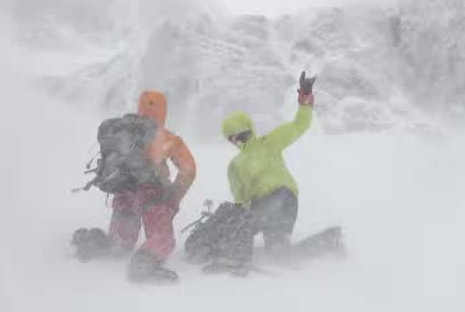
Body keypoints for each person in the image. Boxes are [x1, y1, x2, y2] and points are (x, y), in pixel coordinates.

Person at [215, 72, 315, 272]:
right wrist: (305, 99)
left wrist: (304, 98)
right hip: (289, 201)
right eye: (236, 138)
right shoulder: (269, 143)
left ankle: (238, 260)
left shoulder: (239, 163)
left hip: (272, 201)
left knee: (239, 222)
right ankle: (322, 246)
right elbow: (299, 125)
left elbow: (240, 203)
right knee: (278, 252)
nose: (238, 141)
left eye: (239, 136)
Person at [109, 90, 196, 282]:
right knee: (161, 238)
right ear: (163, 112)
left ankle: (103, 243)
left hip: (124, 192)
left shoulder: (123, 133)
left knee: (121, 242)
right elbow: (188, 169)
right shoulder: (167, 138)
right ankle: (144, 263)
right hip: (154, 196)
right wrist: (174, 196)